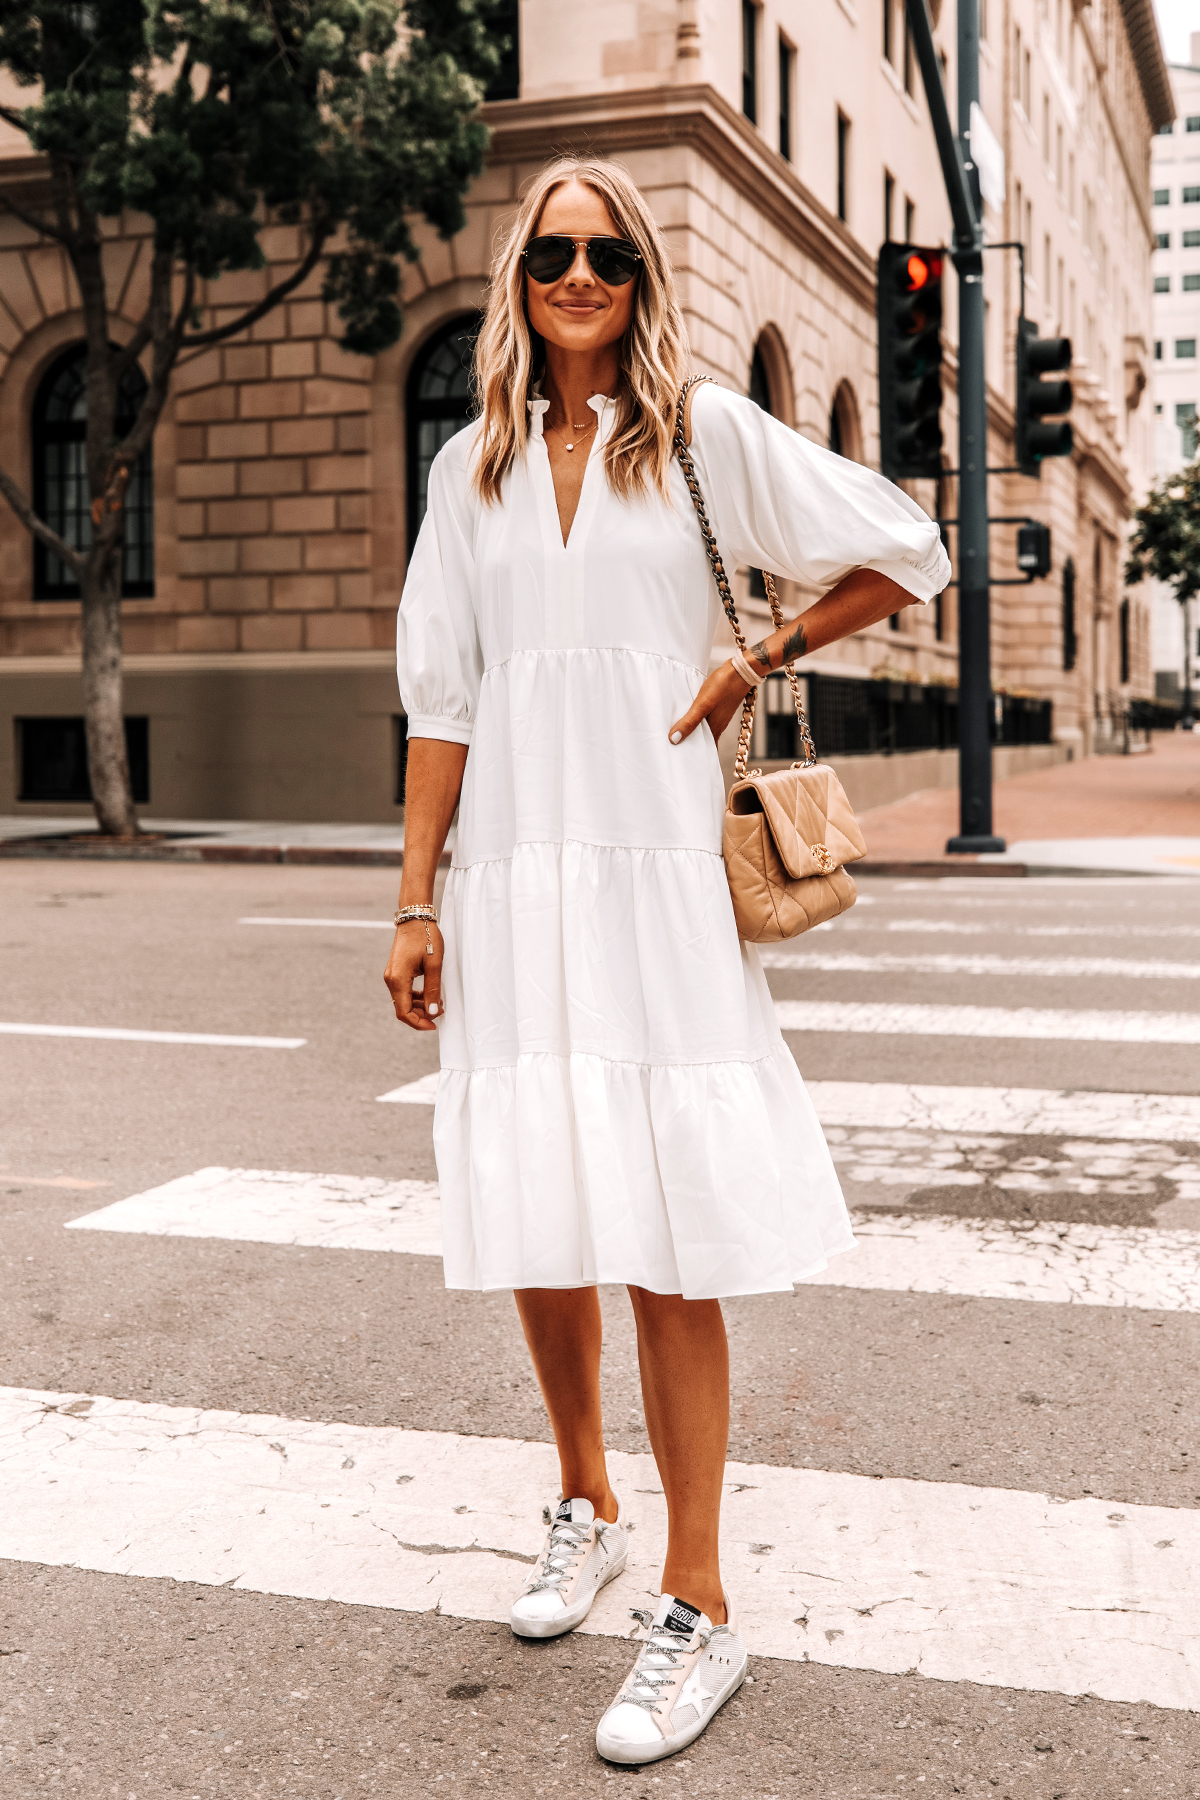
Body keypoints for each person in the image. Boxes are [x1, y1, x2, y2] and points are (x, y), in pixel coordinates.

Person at [386, 156, 950, 1766]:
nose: (579, 276)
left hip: (657, 883)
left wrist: (761, 645)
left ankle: (698, 1606)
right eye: (553, 252)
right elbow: (443, 701)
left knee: (669, 1234)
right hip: (510, 877)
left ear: (640, 274)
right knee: (545, 1207)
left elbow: (907, 545)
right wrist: (416, 898)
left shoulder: (699, 432)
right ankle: (586, 1500)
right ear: (521, 277)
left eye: (608, 253)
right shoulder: (466, 469)